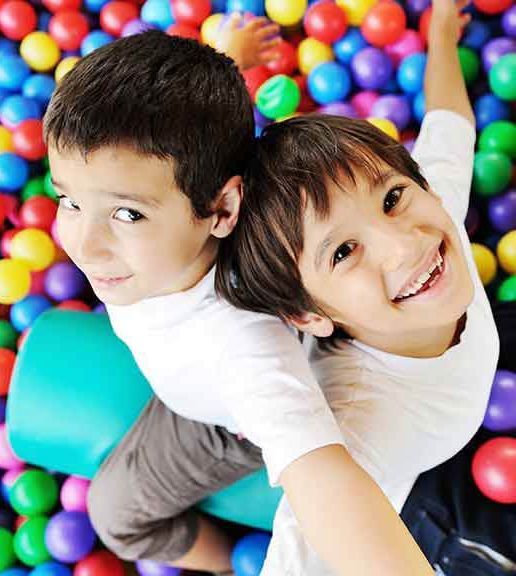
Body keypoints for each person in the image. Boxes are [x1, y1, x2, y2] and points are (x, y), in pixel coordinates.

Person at [43, 21, 435, 576]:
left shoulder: (241, 344)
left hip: (223, 427)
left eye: (127, 214)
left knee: (116, 515)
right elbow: (190, 126)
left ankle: (229, 563)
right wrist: (229, 59)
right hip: (184, 365)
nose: (83, 244)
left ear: (223, 210)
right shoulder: (177, 205)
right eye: (68, 200)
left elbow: (320, 468)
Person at [216, 0, 511, 573]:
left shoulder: (431, 211)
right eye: (344, 252)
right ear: (307, 315)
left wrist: (442, 30)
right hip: (230, 416)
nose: (405, 244)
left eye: (393, 197)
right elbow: (304, 546)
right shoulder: (356, 435)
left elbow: (451, 121)